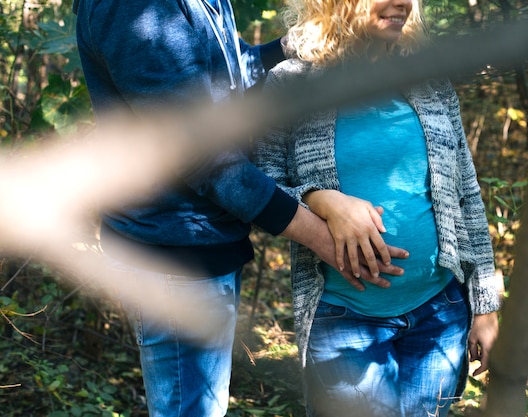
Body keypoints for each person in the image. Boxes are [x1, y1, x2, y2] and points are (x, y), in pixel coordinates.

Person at [72, 0, 407, 416]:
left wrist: (288, 47)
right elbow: (202, 156)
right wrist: (323, 237)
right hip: (176, 256)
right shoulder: (135, 10)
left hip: (207, 241)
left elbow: (222, 77)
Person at [253, 0, 504, 416]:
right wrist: (320, 198)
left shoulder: (428, 76)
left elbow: (466, 195)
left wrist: (485, 305)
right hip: (343, 318)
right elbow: (261, 184)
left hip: (439, 312)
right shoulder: (291, 82)